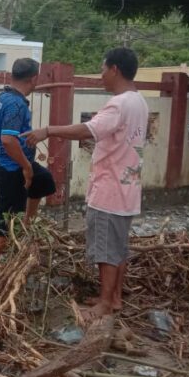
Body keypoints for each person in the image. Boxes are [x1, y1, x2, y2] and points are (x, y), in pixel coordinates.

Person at [24, 48, 148, 322]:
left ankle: (104, 304)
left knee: (106, 249)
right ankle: (114, 298)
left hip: (110, 189)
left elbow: (87, 130)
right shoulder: (139, 101)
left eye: (103, 69)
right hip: (127, 188)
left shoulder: (119, 104)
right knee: (118, 248)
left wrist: (48, 130)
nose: (101, 75)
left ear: (115, 69)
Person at [0, 58, 57, 269]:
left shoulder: (3, 97)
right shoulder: (16, 105)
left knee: (43, 180)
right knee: (7, 216)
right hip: (10, 168)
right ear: (34, 78)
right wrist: (26, 166)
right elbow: (8, 140)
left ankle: (26, 229)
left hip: (5, 162)